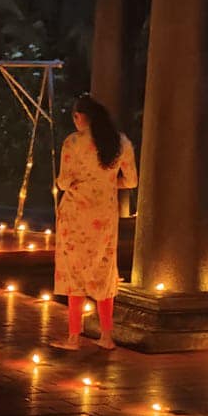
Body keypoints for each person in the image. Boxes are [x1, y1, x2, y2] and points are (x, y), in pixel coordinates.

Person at [53, 93, 138, 350]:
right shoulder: (120, 142)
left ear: (79, 117)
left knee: (73, 270)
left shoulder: (73, 142)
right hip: (105, 214)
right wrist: (109, 183)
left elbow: (64, 181)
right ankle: (106, 336)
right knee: (103, 269)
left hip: (76, 214)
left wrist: (63, 184)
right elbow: (132, 181)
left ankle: (73, 336)